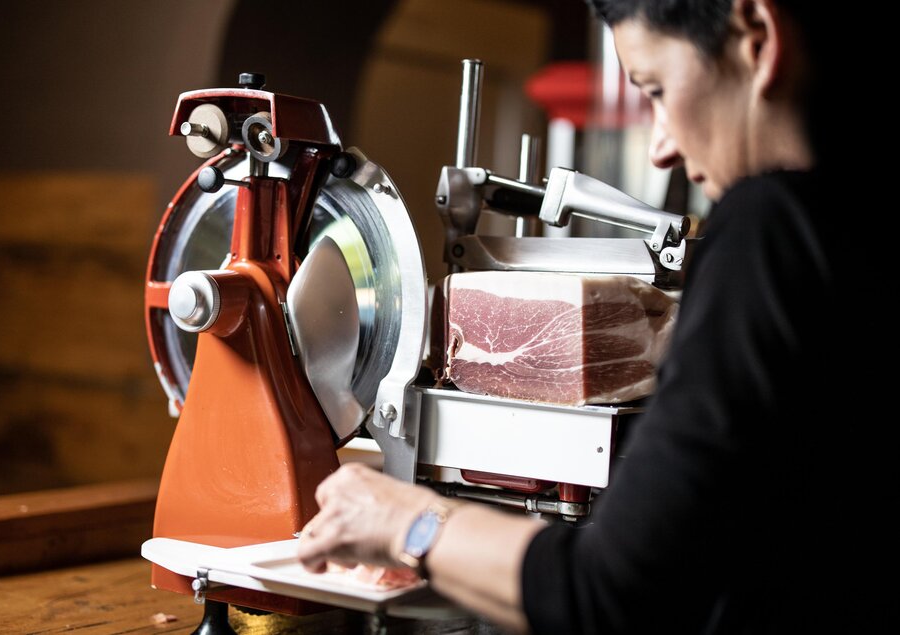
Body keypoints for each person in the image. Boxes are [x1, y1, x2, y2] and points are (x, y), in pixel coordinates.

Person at [298, 1, 888, 633]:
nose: (660, 147)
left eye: (657, 89)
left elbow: (611, 592)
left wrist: (405, 522)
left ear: (756, 36)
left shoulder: (772, 230)